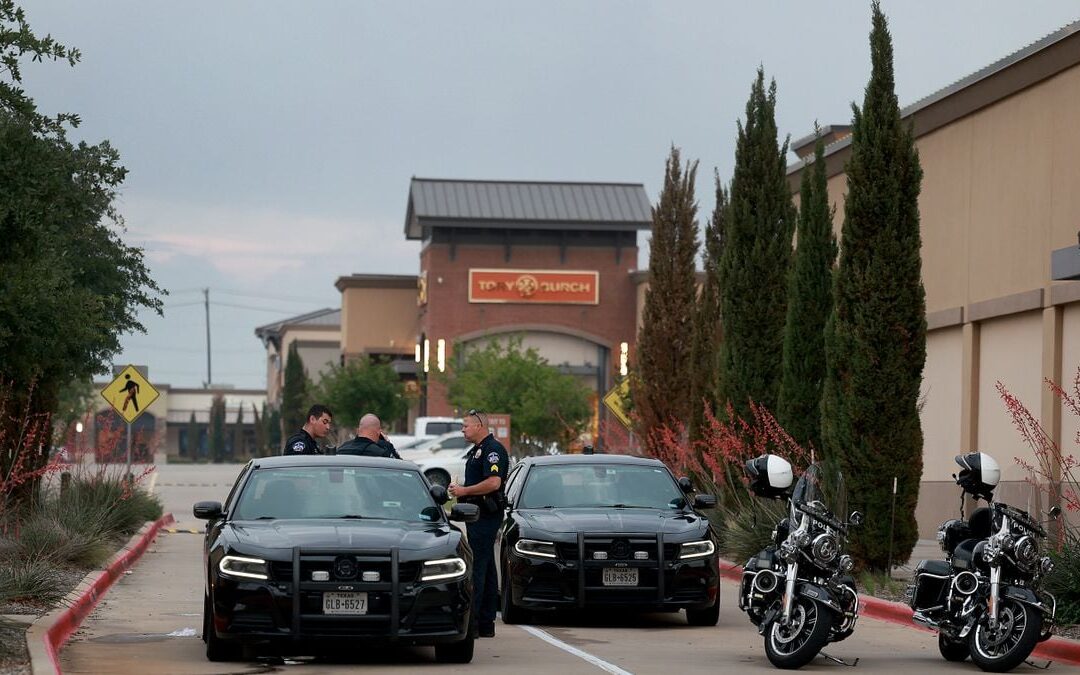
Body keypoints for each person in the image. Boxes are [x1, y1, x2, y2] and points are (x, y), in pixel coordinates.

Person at [447, 408, 508, 638]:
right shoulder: (478, 451)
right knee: (488, 569)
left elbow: (493, 483)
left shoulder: (493, 451)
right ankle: (486, 622)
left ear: (479, 426)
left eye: (465, 425)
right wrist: (460, 491)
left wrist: (464, 490)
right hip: (476, 515)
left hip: (485, 516)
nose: (462, 429)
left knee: (478, 569)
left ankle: (472, 625)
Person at [336, 413, 401, 458]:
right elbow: (398, 467)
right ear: (378, 432)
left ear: (358, 430)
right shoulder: (381, 452)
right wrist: (388, 444)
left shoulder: (342, 449)